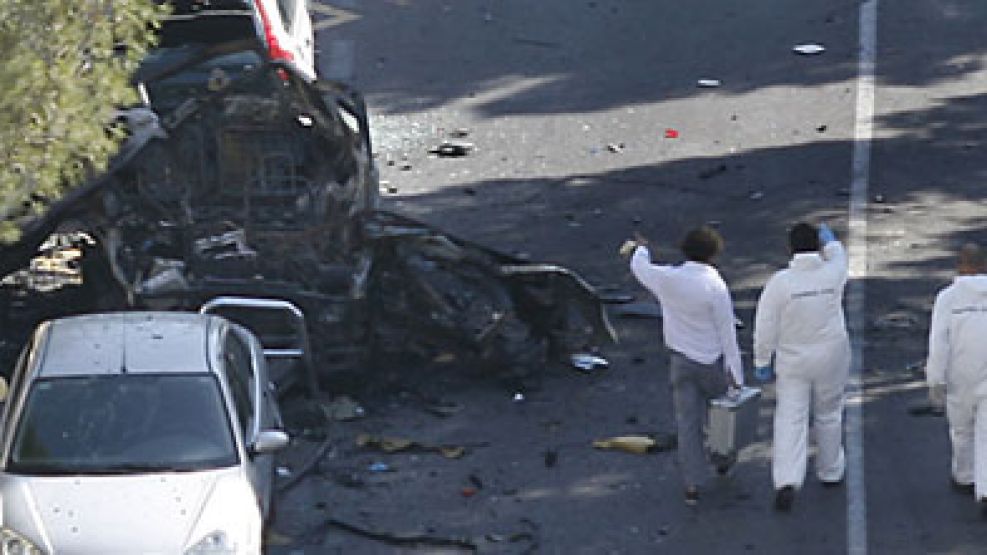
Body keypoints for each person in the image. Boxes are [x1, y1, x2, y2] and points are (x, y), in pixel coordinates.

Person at [627, 226, 744, 506]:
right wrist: (736, 373)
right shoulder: (714, 286)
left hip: (680, 361)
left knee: (688, 423)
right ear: (714, 254)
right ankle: (723, 460)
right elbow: (727, 332)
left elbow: (641, 268)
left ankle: (692, 483)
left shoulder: (669, 278)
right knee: (721, 418)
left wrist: (641, 247)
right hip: (711, 361)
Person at [753, 222, 850, 512]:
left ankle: (787, 479)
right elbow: (839, 255)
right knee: (829, 412)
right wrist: (830, 242)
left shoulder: (781, 283)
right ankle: (830, 469)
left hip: (793, 359)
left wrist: (762, 361)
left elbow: (765, 325)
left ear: (789, 249)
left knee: (790, 417)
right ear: (818, 246)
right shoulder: (832, 272)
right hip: (831, 353)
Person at [925, 242, 987, 513]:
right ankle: (986, 489)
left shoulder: (948, 298)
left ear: (961, 266)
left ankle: (965, 475)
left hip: (961, 375)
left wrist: (934, 382)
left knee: (961, 429)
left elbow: (939, 344)